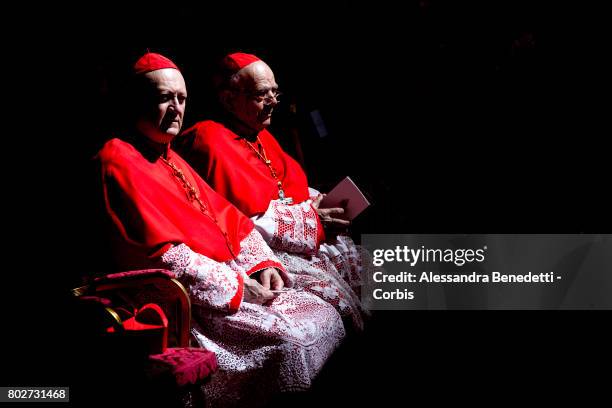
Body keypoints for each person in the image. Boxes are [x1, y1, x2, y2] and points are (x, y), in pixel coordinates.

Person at [93, 52, 345, 407]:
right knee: (292, 342)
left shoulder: (168, 155)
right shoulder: (117, 159)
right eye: (164, 98)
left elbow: (229, 218)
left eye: (181, 99)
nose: (176, 108)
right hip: (185, 305)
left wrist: (262, 264)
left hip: (227, 283)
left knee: (323, 313)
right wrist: (240, 287)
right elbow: (164, 257)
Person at [175, 52, 368, 331]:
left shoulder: (261, 135)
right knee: (335, 305)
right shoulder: (206, 139)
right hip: (262, 255)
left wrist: (319, 204)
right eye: (261, 95)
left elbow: (286, 189)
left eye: (275, 93)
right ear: (229, 99)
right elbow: (228, 220)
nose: (273, 103)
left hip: (302, 245)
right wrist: (309, 221)